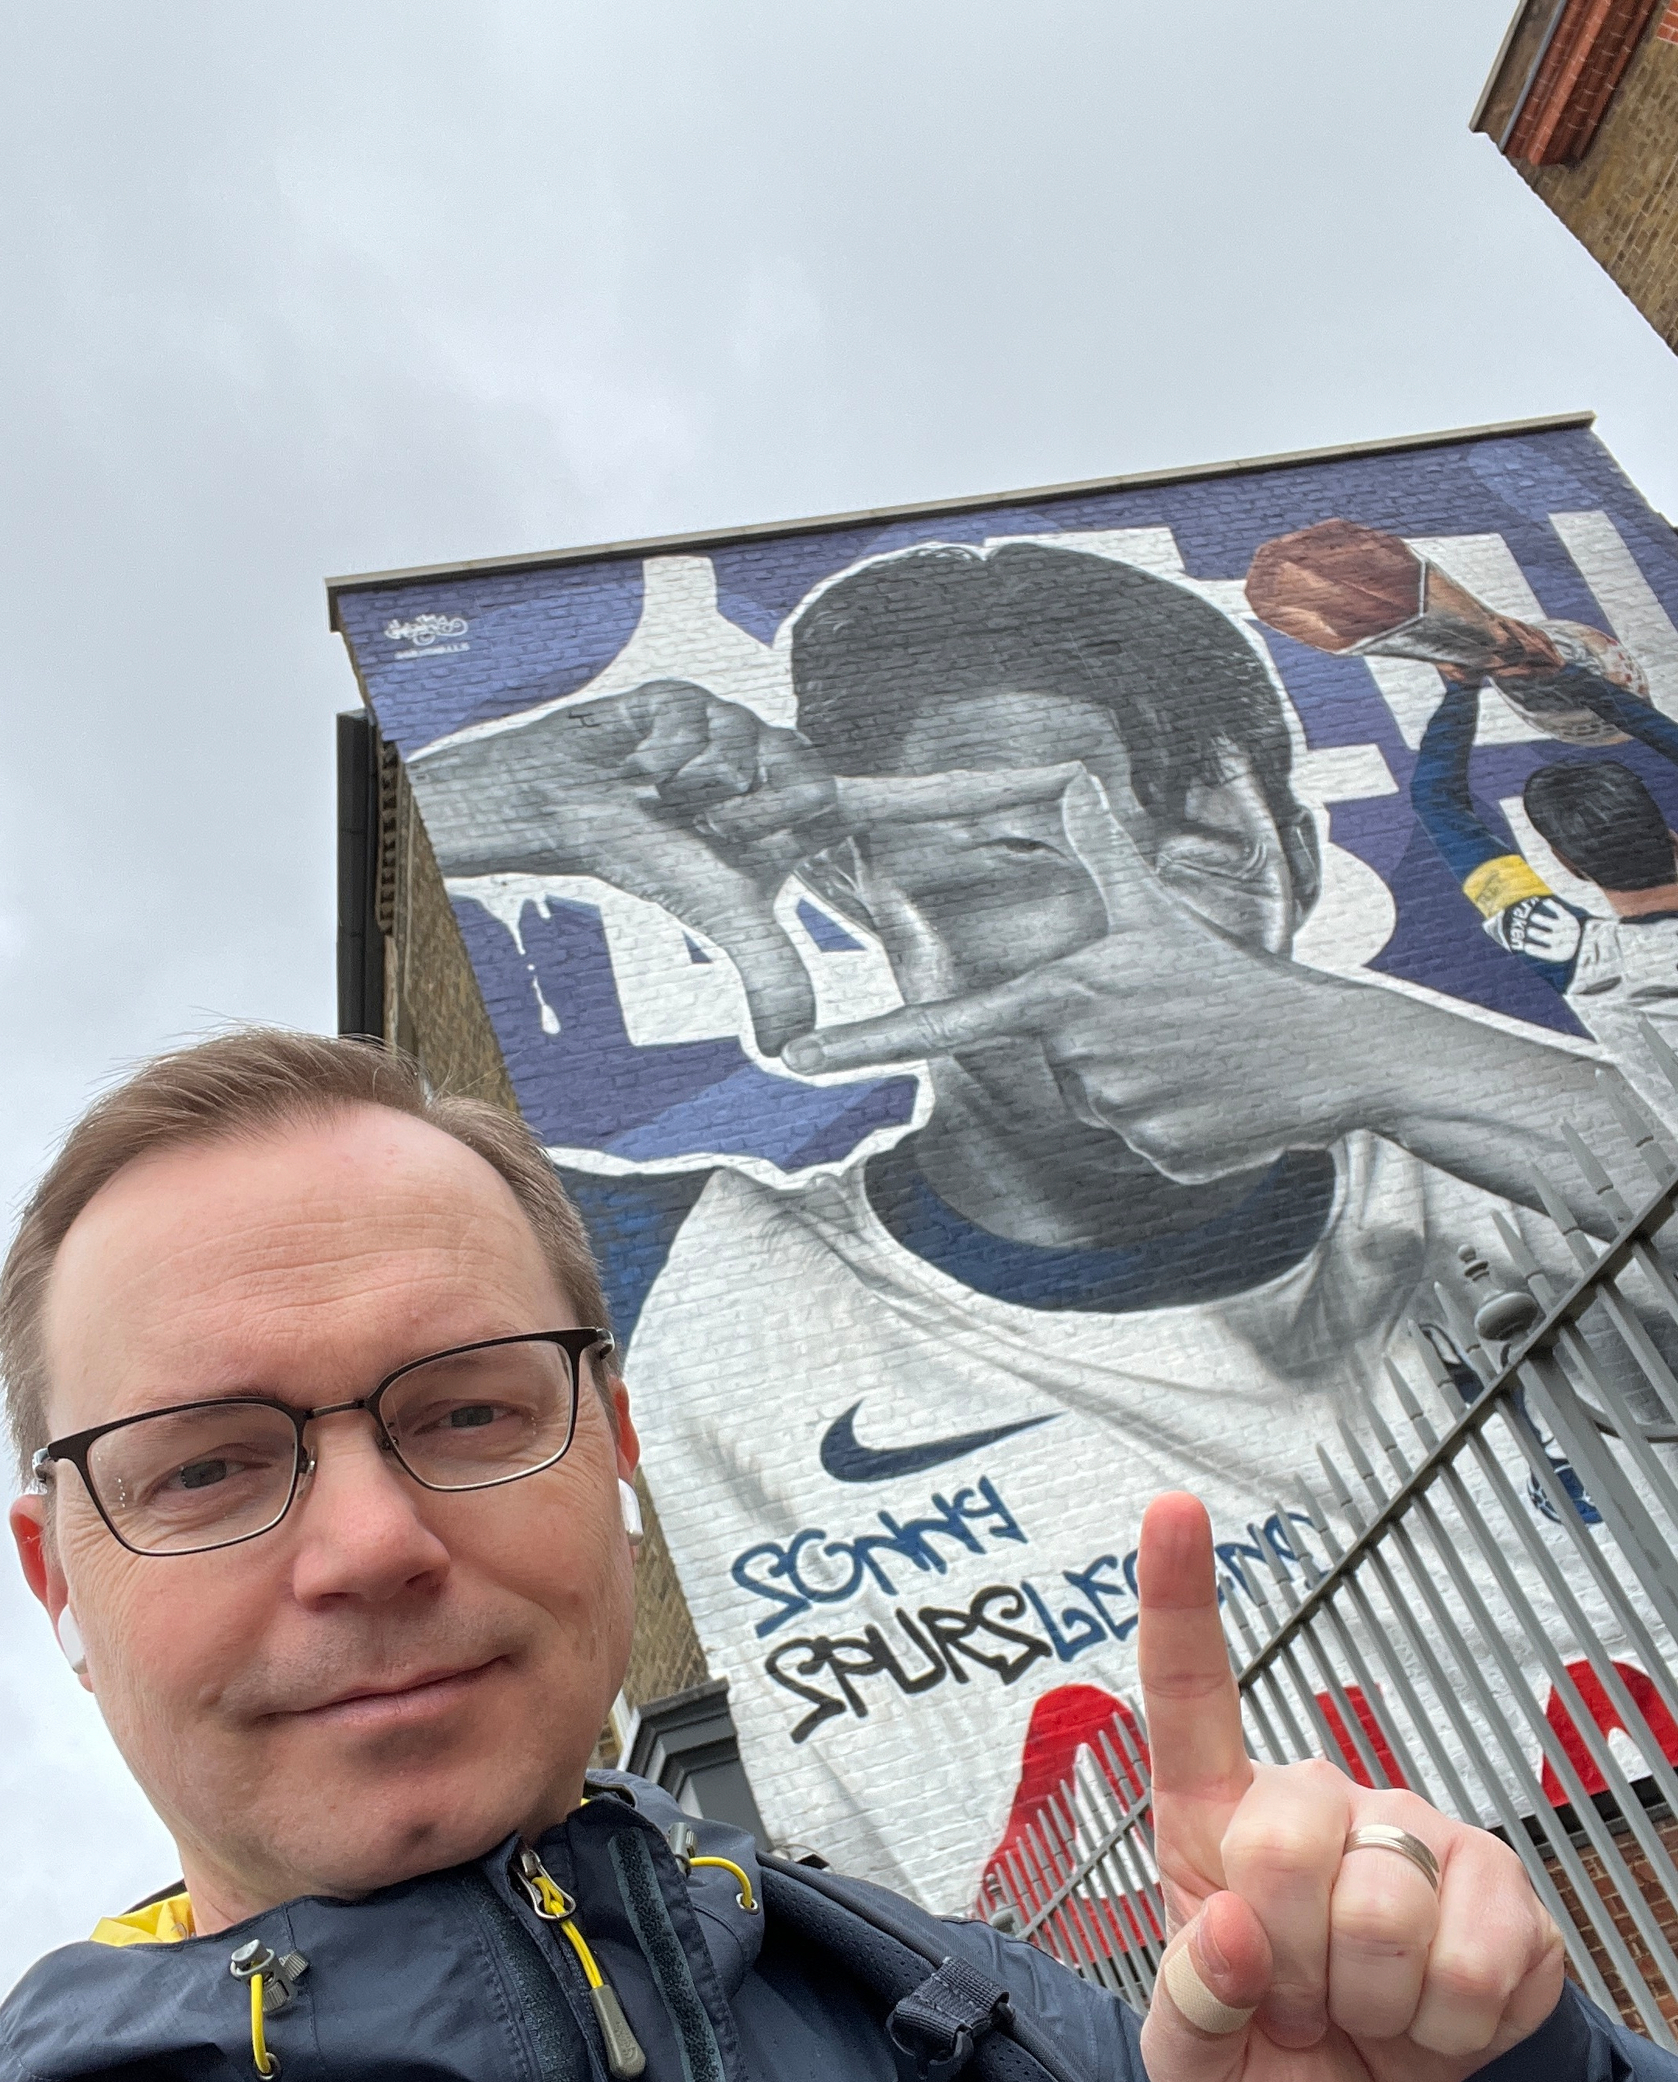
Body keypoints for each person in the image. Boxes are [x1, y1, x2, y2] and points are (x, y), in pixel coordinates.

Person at [0, 1025, 1674, 2082]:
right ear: (60, 1587)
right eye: (204, 1466)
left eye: (473, 1411)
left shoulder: (1025, 2052)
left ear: (620, 1453)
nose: (370, 1543)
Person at [408, 542, 1675, 1906]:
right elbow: (234, 1275)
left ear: (1298, 854)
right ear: (866, 894)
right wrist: (480, 796)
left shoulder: (1533, 1173)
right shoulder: (691, 1280)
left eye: (1218, 839)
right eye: (1027, 848)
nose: (1181, 917)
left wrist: (1416, 1062)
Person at [1410, 665, 1678, 1112]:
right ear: (1672, 837)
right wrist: (1574, 676)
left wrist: (1462, 689)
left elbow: (1435, 801)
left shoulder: (1579, 958)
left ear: (1568, 865)